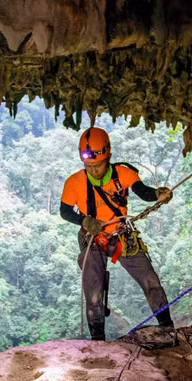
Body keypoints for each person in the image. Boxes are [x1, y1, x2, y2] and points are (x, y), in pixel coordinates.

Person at [59, 127, 174, 341]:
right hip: (93, 239)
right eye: (89, 166)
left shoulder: (124, 174)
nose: (94, 170)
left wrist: (158, 194)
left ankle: (168, 328)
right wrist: (84, 221)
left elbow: (143, 191)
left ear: (109, 157)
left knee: (150, 280)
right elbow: (65, 211)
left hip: (121, 236)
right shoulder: (74, 183)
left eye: (98, 165)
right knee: (94, 293)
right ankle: (98, 341)